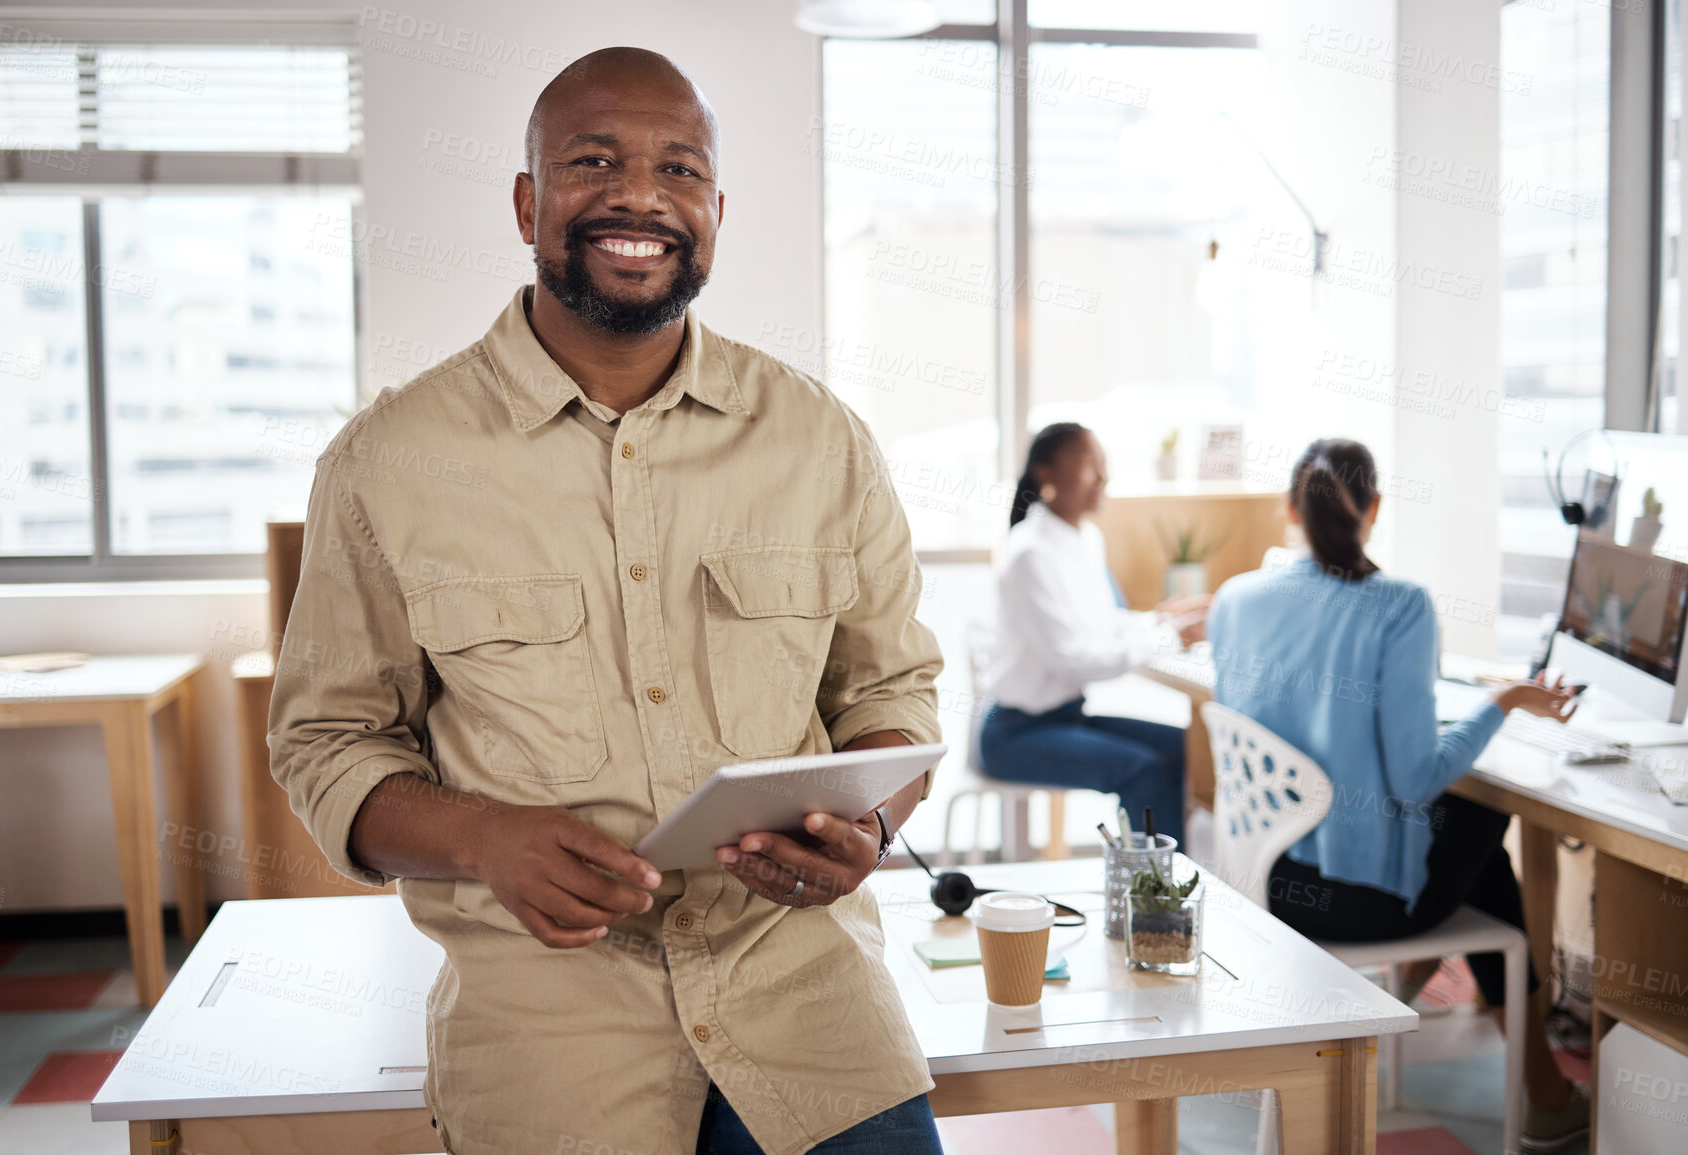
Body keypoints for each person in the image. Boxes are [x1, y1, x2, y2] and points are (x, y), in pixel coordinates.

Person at [269, 48, 948, 1155]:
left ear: (715, 211)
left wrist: (868, 824)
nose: (640, 195)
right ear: (530, 202)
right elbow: (324, 741)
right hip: (549, 1038)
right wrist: (483, 840)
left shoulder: (823, 443)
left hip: (814, 1015)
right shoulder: (388, 459)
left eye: (678, 170)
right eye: (594, 161)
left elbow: (892, 691)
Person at [1208, 438, 1590, 1152]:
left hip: (1261, 887)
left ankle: (1412, 1016)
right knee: (1482, 811)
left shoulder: (1235, 597)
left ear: (1290, 508)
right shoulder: (1399, 606)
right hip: (1357, 903)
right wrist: (1504, 698)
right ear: (1374, 508)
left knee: (1470, 839)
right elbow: (1414, 778)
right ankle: (1538, 1090)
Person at [978, 422, 1206, 842]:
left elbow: (1106, 621)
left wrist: (1162, 620)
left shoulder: (1086, 539)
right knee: (1143, 769)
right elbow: (1075, 658)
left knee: (1187, 748)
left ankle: (1168, 879)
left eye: (1104, 465)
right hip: (1016, 733)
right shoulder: (1029, 552)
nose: (1103, 477)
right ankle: (1151, 893)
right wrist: (1169, 638)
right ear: (1046, 474)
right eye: (1089, 466)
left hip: (1067, 717)